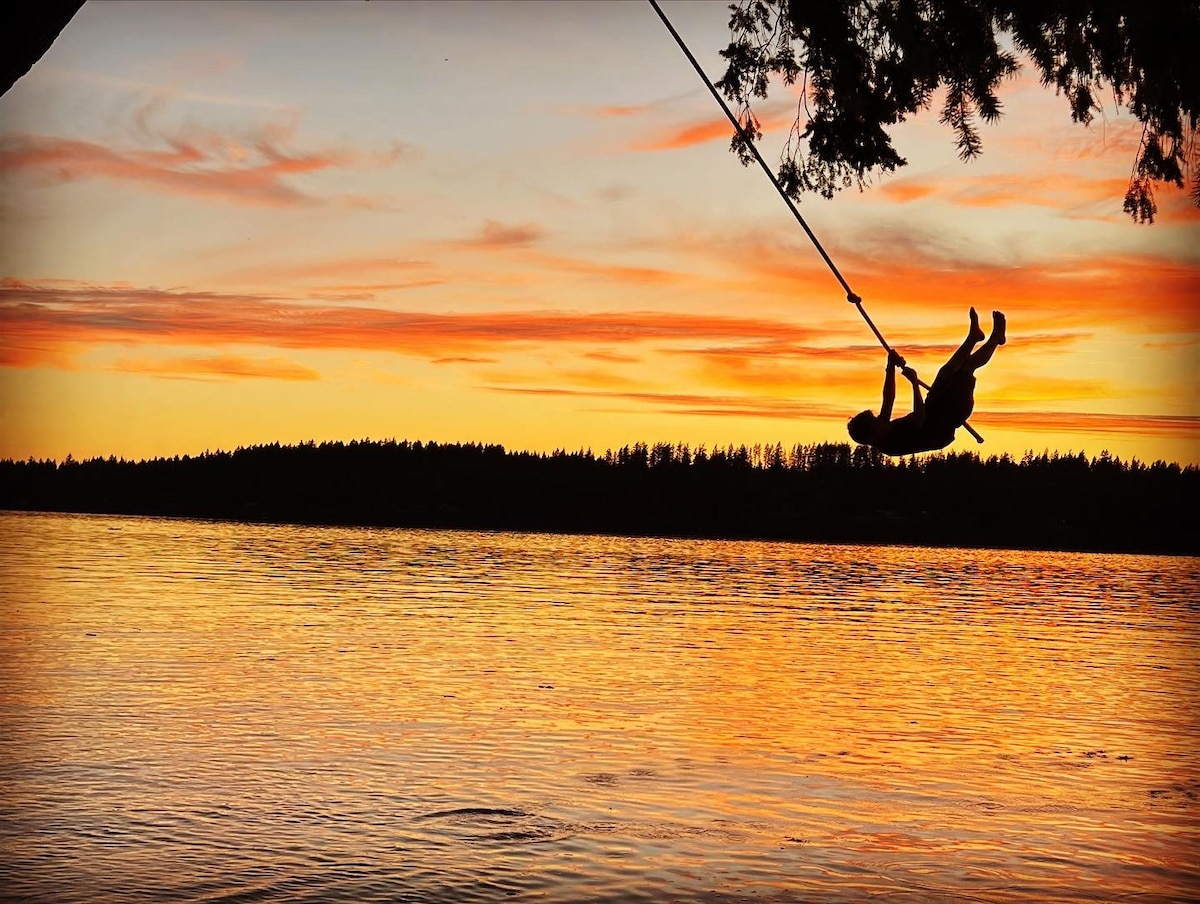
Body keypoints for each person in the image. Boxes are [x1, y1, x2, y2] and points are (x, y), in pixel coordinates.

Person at [847, 307, 1005, 455]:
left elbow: (888, 398)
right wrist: (914, 383)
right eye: (876, 422)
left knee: (945, 372)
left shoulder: (880, 429)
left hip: (933, 409)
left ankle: (973, 337)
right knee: (966, 367)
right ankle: (996, 338)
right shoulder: (892, 443)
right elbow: (919, 417)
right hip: (947, 418)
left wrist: (890, 366)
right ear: (872, 436)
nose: (880, 419)